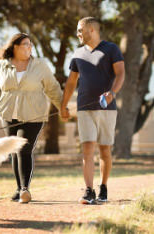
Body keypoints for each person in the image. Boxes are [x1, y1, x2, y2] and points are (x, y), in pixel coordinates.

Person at [0, 33, 63, 203]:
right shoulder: (1, 66)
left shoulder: (39, 65)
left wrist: (62, 106)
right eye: (25, 44)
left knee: (24, 148)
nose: (29, 48)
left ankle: (24, 189)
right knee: (14, 150)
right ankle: (18, 188)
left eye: (30, 45)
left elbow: (53, 87)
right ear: (15, 47)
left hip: (34, 114)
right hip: (8, 114)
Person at [61, 17, 125, 204]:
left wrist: (112, 93)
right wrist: (63, 106)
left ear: (91, 30)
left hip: (107, 108)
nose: (78, 34)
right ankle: (89, 191)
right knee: (87, 148)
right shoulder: (78, 53)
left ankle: (103, 187)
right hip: (84, 108)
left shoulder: (111, 49)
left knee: (105, 149)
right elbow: (71, 82)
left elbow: (121, 73)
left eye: (80, 30)